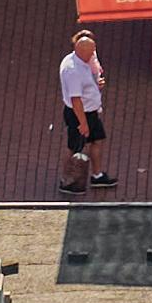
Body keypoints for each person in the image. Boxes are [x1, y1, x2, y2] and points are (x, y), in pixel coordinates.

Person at [58, 27, 113, 191]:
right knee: (74, 146)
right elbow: (76, 100)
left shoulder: (87, 58)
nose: (94, 55)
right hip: (79, 114)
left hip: (91, 112)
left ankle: (97, 176)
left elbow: (93, 75)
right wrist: (83, 123)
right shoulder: (73, 71)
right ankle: (67, 181)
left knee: (98, 140)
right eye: (91, 52)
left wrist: (98, 84)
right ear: (80, 50)